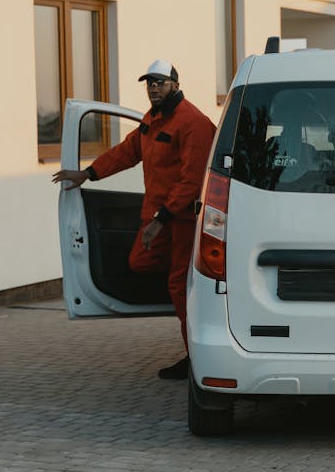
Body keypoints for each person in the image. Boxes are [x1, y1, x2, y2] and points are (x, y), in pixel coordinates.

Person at [53, 59, 216, 380]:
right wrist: (88, 173)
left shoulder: (192, 123)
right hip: (157, 217)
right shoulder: (152, 120)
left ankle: (196, 359)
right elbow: (126, 152)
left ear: (176, 85)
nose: (154, 88)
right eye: (149, 83)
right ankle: (185, 292)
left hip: (181, 220)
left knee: (178, 286)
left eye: (160, 82)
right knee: (140, 264)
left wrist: (162, 219)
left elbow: (192, 180)